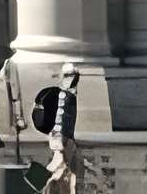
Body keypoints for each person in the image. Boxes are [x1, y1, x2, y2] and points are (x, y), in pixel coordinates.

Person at [43, 63, 82, 194]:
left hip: (62, 142)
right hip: (61, 141)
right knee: (68, 113)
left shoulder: (67, 95)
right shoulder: (64, 96)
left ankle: (69, 78)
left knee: (64, 113)